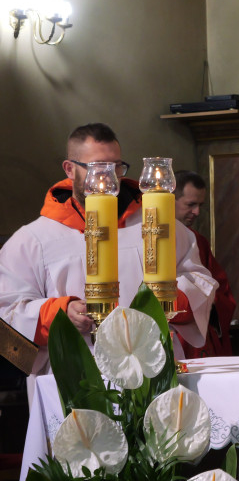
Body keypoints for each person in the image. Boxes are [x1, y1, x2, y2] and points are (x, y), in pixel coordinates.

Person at [0, 124, 217, 367]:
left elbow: (199, 279)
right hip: (76, 373)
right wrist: (61, 313)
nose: (110, 177)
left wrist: (174, 301)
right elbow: (6, 314)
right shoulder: (34, 240)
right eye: (98, 167)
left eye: (116, 166)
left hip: (153, 365)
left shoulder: (159, 223)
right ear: (70, 169)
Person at [174, 170, 237, 357]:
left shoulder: (197, 241)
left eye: (200, 205)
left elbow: (221, 294)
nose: (197, 212)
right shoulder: (139, 236)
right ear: (170, 199)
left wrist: (203, 298)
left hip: (193, 335)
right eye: (190, 205)